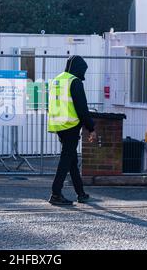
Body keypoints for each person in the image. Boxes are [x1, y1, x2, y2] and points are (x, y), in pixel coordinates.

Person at [48, 55, 97, 205]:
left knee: (71, 160)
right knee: (66, 160)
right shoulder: (74, 82)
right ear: (79, 68)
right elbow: (82, 108)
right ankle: (56, 193)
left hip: (58, 124)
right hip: (70, 125)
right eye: (83, 70)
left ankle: (80, 193)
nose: (84, 75)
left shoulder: (57, 80)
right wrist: (91, 128)